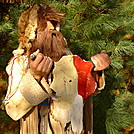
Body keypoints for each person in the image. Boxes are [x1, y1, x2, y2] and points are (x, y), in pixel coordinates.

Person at [4, 4, 111, 134]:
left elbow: (82, 90)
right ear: (31, 33)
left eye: (54, 28)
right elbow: (12, 110)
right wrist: (35, 76)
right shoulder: (21, 63)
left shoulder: (68, 57)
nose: (52, 32)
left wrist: (95, 70)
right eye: (44, 29)